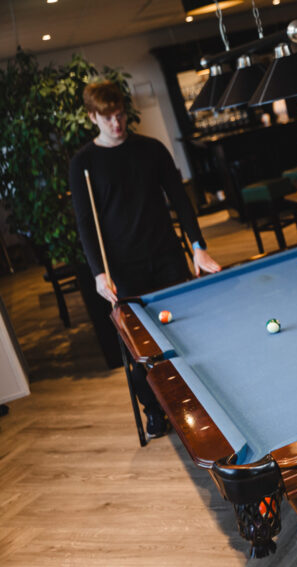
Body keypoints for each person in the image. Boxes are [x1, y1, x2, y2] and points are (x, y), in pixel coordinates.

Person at [69, 81, 221, 438]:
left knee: (185, 332)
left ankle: (197, 401)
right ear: (93, 117)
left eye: (120, 115)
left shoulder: (151, 149)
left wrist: (198, 245)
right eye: (107, 118)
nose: (116, 124)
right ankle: (154, 409)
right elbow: (85, 224)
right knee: (140, 350)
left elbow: (181, 202)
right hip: (122, 269)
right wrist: (97, 273)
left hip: (167, 256)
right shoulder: (83, 164)